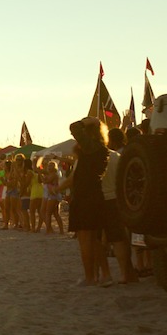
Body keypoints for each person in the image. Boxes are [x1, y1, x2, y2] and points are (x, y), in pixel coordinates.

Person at [64, 117, 108, 287]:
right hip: (96, 195)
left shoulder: (91, 148)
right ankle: (104, 274)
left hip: (84, 197)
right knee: (96, 240)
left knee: (85, 240)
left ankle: (90, 277)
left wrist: (86, 121)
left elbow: (73, 127)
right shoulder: (102, 149)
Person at [100, 129, 136, 284]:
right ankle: (125, 273)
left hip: (101, 199)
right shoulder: (117, 156)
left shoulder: (92, 158)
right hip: (117, 199)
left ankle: (105, 274)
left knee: (100, 240)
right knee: (120, 239)